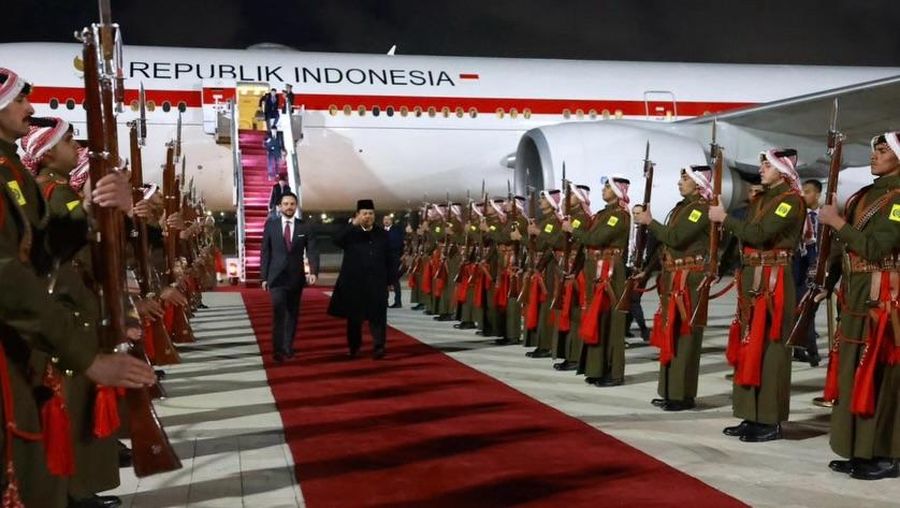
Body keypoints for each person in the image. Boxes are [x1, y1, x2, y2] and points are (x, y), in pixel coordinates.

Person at [709, 148, 807, 442]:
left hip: (774, 278)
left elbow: (759, 234)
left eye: (768, 164)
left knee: (772, 351)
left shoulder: (790, 201)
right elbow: (744, 238)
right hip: (752, 276)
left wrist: (724, 218)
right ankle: (749, 414)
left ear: (783, 169)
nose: (761, 168)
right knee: (749, 342)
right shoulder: (763, 199)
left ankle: (769, 420)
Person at [819, 131, 900, 480]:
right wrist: (826, 282)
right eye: (874, 149)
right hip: (854, 295)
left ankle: (885, 453)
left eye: (883, 150)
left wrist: (836, 221)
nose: (874, 155)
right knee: (853, 372)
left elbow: (877, 248)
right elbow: (841, 248)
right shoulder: (863, 196)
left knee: (880, 377)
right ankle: (857, 448)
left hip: (882, 299)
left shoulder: (897, 200)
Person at [634, 165, 712, 411]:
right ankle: (669, 391)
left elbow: (677, 238)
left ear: (698, 183)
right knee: (671, 334)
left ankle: (682, 395)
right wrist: (647, 269)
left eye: (685, 178)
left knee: (685, 337)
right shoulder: (683, 208)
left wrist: (650, 222)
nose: (680, 182)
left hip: (688, 279)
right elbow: (666, 245)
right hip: (673, 276)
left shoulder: (700, 209)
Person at [575, 176, 631, 386]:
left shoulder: (618, 216)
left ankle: (613, 372)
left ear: (617, 190)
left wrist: (574, 231)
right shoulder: (603, 215)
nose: (604, 189)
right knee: (597, 319)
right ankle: (595, 368)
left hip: (610, 272)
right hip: (597, 271)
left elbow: (595, 239)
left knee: (612, 323)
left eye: (608, 186)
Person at [328, 199, 394, 359]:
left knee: (378, 317)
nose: (368, 216)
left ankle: (379, 347)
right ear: (358, 215)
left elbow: (390, 259)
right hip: (354, 284)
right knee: (354, 319)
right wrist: (353, 224)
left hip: (377, 283)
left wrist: (390, 281)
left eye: (370, 213)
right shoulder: (350, 233)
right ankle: (354, 348)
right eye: (364, 213)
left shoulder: (382, 235)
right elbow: (336, 240)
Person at [260, 191, 319, 362]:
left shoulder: (305, 226)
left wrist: (313, 271)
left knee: (292, 314)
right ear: (279, 207)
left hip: (296, 277)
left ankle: (288, 347)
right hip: (276, 278)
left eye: (292, 204)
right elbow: (265, 252)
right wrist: (263, 277)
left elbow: (313, 251)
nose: (289, 207)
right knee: (279, 313)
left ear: (296, 206)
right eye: (285, 204)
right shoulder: (270, 226)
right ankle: (278, 349)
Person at [792, 178, 822, 366]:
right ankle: (800, 348)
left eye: (808, 191)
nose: (804, 195)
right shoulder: (798, 216)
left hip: (816, 270)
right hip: (797, 269)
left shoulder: (825, 217)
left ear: (818, 194)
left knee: (807, 310)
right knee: (798, 309)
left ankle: (811, 350)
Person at [384, 214, 404, 308]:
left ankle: (398, 302)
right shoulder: (381, 231)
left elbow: (398, 244)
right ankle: (384, 301)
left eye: (388, 220)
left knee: (395, 280)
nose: (386, 221)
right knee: (384, 281)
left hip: (394, 258)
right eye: (385, 220)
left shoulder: (396, 231)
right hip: (383, 260)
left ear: (391, 221)